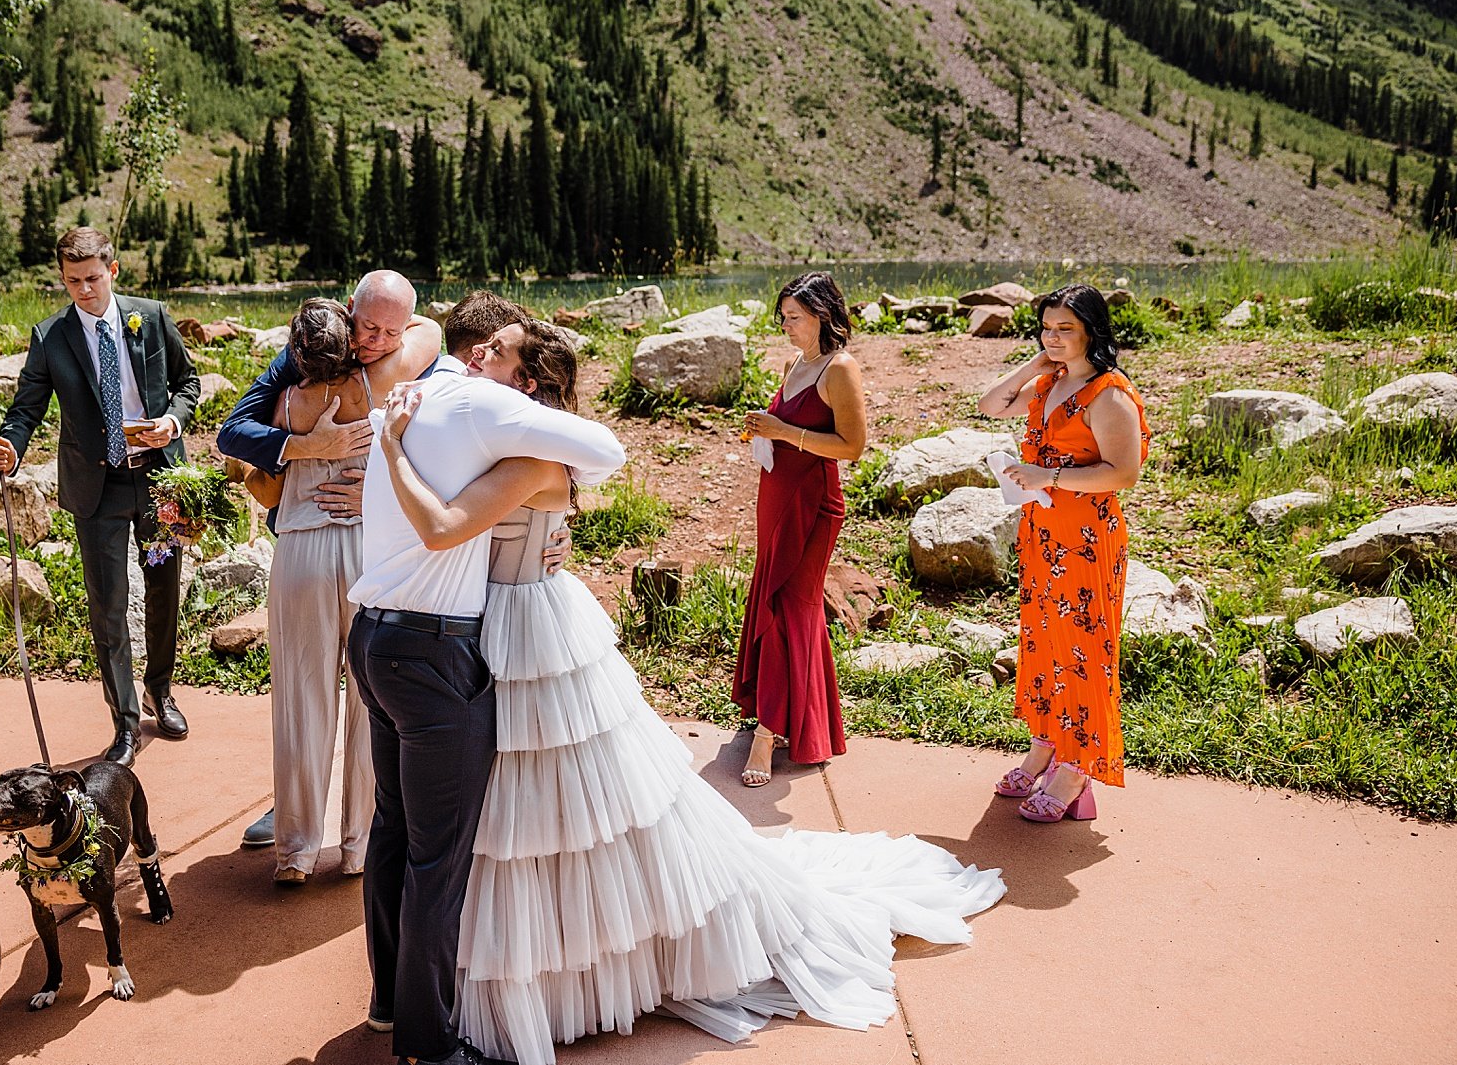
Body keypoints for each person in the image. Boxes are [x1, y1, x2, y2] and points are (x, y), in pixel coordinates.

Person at [378, 321, 1005, 1065]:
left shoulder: (534, 457)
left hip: (527, 627)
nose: (480, 355)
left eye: (500, 352)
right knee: (513, 809)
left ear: (526, 382)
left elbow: (463, 519)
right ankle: (482, 976)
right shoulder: (497, 435)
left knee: (562, 805)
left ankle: (557, 969)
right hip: (487, 626)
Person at [347, 331, 627, 1065]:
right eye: (488, 351)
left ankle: (390, 1003)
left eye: (500, 357)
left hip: (384, 638)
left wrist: (392, 445)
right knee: (436, 855)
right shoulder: (469, 418)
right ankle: (428, 1042)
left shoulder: (441, 415)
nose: (485, 365)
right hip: (438, 649)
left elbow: (559, 489)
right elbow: (449, 528)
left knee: (399, 827)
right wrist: (394, 447)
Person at [218, 270, 437, 852]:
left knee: (357, 696)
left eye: (392, 332)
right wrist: (306, 445)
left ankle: (336, 838)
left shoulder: (411, 353)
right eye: (369, 328)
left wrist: (382, 478)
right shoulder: (303, 363)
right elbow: (231, 431)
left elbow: (440, 432)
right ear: (348, 312)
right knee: (326, 693)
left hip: (368, 544)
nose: (378, 343)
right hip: (325, 543)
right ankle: (325, 838)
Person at [0, 227, 201, 768]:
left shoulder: (148, 316)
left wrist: (173, 422)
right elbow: (26, 407)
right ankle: (124, 722)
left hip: (156, 486)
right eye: (72, 281)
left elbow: (187, 382)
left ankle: (160, 691)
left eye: (92, 278)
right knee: (107, 606)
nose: (83, 290)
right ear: (62, 278)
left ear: (114, 271)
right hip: (97, 492)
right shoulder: (51, 336)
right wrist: (11, 447)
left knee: (161, 586)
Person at [977, 283, 1149, 823]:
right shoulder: (1048, 381)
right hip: (1042, 535)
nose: (1053, 337)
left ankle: (1079, 771)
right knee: (1046, 646)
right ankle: (1046, 747)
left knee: (1083, 652)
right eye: (1046, 328)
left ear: (1093, 331)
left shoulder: (1110, 394)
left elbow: (1123, 473)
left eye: (1065, 329)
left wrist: (1046, 473)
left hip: (1086, 539)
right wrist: (1037, 361)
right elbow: (989, 405)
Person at [734, 272, 867, 786]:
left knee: (793, 605)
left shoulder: (839, 368)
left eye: (794, 317)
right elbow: (789, 429)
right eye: (783, 317)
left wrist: (784, 431)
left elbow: (851, 446)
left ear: (822, 314)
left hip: (813, 503)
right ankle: (797, 719)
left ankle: (770, 734)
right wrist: (763, 431)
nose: (785, 325)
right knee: (773, 596)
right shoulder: (796, 362)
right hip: (777, 495)